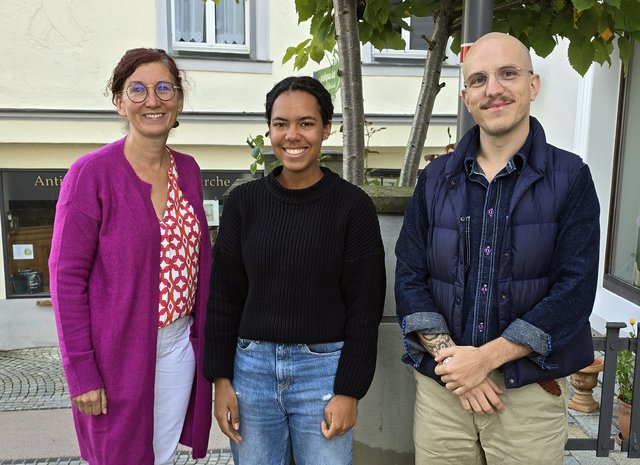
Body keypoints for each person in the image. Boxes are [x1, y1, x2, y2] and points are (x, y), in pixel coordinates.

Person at [395, 32, 600, 464]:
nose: (493, 89)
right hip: (443, 395)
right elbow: (410, 275)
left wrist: (485, 360)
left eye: (508, 74)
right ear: (467, 94)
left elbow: (575, 289)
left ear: (533, 84)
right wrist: (459, 368)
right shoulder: (435, 180)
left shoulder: (571, 177)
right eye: (479, 79)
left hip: (527, 396)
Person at [204, 76, 386, 465]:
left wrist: (349, 391)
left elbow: (365, 307)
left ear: (327, 128)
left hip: (323, 373)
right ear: (268, 129)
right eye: (280, 123)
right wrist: (221, 382)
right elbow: (223, 297)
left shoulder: (352, 208)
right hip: (250, 371)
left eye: (306, 123)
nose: (292, 135)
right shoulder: (243, 204)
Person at [48, 48, 212, 465]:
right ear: (119, 101)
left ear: (178, 100)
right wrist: (81, 371)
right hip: (114, 354)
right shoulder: (90, 174)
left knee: (161, 455)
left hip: (177, 347)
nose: (152, 100)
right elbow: (66, 279)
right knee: (118, 458)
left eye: (164, 88)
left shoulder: (189, 170)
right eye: (137, 89)